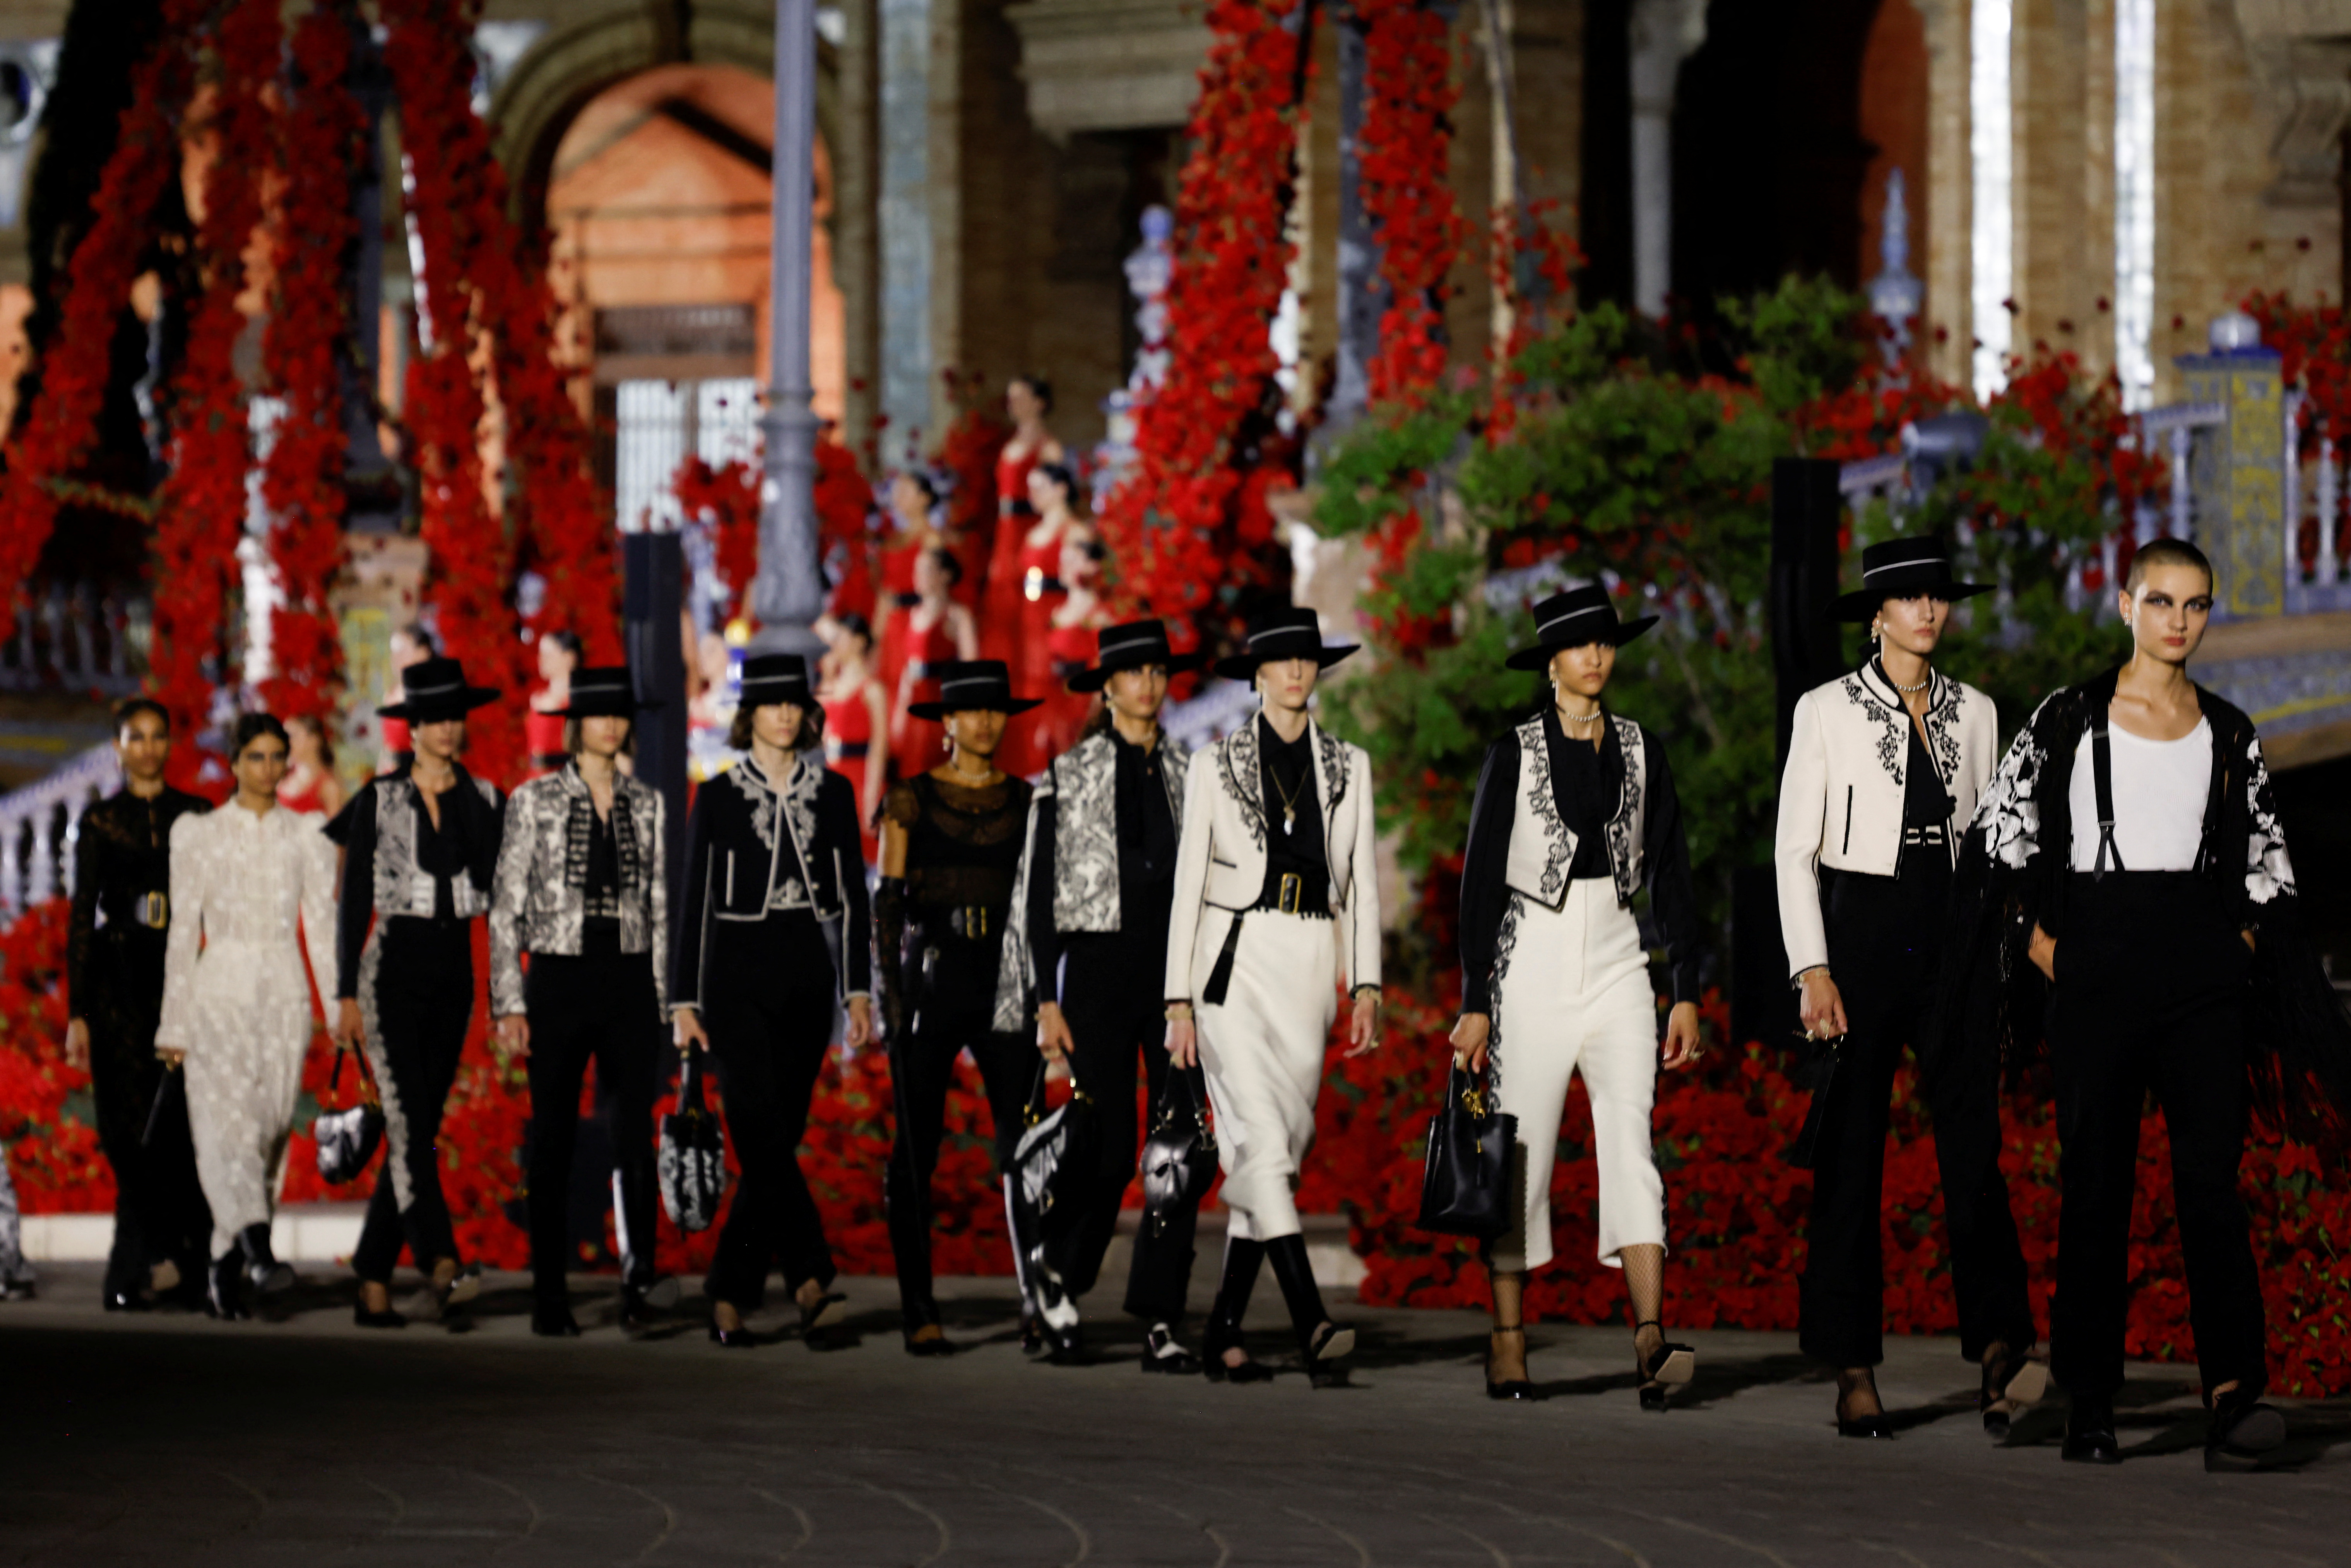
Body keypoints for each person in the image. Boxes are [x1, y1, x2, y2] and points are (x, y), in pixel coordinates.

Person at [1937, 538, 2351, 1472]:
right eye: (2161, 601)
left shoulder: (2233, 731)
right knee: (2097, 1186)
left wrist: (2233, 950)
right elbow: (1999, 845)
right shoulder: (2066, 721)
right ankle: (2092, 1399)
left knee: (2212, 1186)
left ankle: (2234, 1396)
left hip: (2203, 978)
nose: (2179, 621)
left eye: (2196, 605)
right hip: (2097, 971)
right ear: (2126, 604)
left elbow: (2270, 871)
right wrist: (2052, 954)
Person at [1773, 537, 2035, 1438]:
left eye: (1938, 597)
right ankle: (1852, 1364)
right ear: (1877, 615)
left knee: (1975, 1145)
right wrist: (1813, 964)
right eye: (1909, 598)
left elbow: (1995, 843)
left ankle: (2002, 1348)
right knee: (1852, 1158)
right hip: (1864, 932)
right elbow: (1792, 850)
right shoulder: (1827, 710)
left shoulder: (1977, 711)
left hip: (1954, 933)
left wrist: (2002, 955)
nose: (1928, 611)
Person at [1450, 586, 1707, 1406]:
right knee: (1516, 1152)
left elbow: (1672, 872)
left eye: (1604, 642)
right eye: (1578, 645)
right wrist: (1474, 999)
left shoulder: (1640, 748)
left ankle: (1648, 1340)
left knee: (1630, 1140)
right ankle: (1507, 1341)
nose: (1595, 656)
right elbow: (1479, 883)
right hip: (1530, 956)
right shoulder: (1512, 751)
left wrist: (1685, 988)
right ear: (1550, 662)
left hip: (1617, 953)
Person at [1165, 607, 1381, 1387]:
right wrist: (1177, 1000)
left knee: (1276, 1152)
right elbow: (1188, 888)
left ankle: (1223, 1330)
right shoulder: (1211, 764)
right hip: (1232, 962)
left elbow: (1359, 885)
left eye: (1306, 659)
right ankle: (1310, 1318)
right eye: (1280, 660)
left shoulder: (1348, 766)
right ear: (1255, 674)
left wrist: (1365, 981)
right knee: (1256, 1133)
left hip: (1308, 958)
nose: (1295, 671)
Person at [994, 619, 1209, 1370]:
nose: (1148, 683)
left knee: (1179, 1144)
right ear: (1107, 686)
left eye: (1157, 670)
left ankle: (1159, 1316)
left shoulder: (1190, 772)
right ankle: (1060, 1267)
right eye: (1133, 672)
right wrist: (1044, 1003)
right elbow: (1037, 897)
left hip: (1174, 979)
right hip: (1094, 974)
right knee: (1112, 1144)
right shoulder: (1068, 774)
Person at [672, 655, 874, 1347]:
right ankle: (812, 1277)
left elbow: (852, 902)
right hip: (733, 972)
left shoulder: (837, 793)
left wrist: (856, 989)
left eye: (795, 702)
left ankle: (729, 1286)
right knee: (758, 1128)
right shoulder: (720, 797)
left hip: (806, 970)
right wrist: (683, 1000)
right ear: (748, 714)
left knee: (775, 1140)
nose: (786, 714)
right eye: (771, 702)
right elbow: (693, 902)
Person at [489, 666, 671, 1338]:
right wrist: (509, 1000)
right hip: (559, 977)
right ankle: (548, 1292)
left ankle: (641, 1283)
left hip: (625, 978)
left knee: (634, 1138)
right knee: (555, 1137)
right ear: (576, 723)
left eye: (619, 712)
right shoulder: (532, 800)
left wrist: (661, 1000)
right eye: (598, 712)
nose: (611, 723)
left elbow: (657, 907)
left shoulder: (646, 803)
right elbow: (505, 907)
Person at [329, 657, 505, 1330]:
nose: (448, 729)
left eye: (456, 717)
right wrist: (345, 990)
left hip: (453, 973)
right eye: (435, 718)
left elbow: (501, 893)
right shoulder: (378, 798)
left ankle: (373, 1275)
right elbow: (354, 903)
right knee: (408, 1124)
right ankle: (440, 1261)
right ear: (413, 727)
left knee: (417, 1129)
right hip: (390, 971)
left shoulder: (487, 800)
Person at [874, 659, 1042, 1356]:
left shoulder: (1030, 801)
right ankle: (918, 1305)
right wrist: (887, 996)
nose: (984, 721)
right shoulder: (909, 800)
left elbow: (1042, 904)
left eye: (995, 709)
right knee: (917, 1149)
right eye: (970, 710)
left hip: (1006, 981)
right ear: (946, 721)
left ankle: (1043, 1298)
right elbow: (887, 905)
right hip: (935, 977)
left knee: (1027, 1146)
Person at [155, 712, 339, 1320]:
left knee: (268, 1134)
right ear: (233, 763)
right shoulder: (199, 835)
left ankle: (222, 1265)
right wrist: (173, 1023)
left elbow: (320, 926)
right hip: (219, 994)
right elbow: (182, 932)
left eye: (276, 757)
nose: (267, 768)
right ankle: (260, 1253)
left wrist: (339, 1007)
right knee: (226, 1132)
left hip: (285, 996)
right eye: (254, 757)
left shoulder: (307, 834)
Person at [64, 698, 212, 1312]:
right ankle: (137, 1261)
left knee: (180, 1124)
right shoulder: (101, 822)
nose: (149, 748)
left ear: (170, 744)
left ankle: (179, 1266)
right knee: (127, 1128)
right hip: (119, 977)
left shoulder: (197, 814)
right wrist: (77, 1011)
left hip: (184, 973)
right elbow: (80, 914)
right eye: (136, 737)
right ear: (119, 747)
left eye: (158, 736)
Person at [1001, 463, 1080, 774]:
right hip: (1031, 626)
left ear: (1061, 489)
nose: (1034, 494)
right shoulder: (1033, 533)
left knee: (1059, 702)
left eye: (1041, 486)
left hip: (1056, 622)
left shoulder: (1074, 532)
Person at [982, 376, 1064, 671]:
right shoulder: (1011, 445)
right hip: (1006, 533)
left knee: (1028, 600)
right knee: (1001, 607)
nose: (1014, 404)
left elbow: (1054, 497)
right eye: (1011, 398)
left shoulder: (1048, 447)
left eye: (1022, 397)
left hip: (1028, 530)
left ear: (1039, 403)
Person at [889, 548, 980, 779]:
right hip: (915, 709)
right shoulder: (912, 615)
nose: (918, 577)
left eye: (926, 571)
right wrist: (900, 712)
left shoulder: (957, 616)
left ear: (945, 575)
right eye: (917, 571)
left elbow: (971, 670)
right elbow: (907, 671)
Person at [818, 613, 890, 858]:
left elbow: (880, 745)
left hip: (859, 776)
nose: (836, 644)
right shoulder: (833, 686)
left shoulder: (872, 690)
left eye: (842, 638)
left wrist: (872, 793)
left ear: (859, 642)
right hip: (832, 772)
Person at [1037, 524, 1108, 759]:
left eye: (1072, 561)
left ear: (1091, 565)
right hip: (1059, 705)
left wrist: (1096, 713)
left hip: (1085, 705)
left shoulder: (1097, 613)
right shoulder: (1057, 612)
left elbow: (1102, 664)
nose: (1063, 568)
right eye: (1062, 561)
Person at [379, 623, 435, 772]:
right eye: (394, 651)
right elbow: (387, 749)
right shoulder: (392, 694)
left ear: (423, 653)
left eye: (402, 650)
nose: (396, 657)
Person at [527, 629, 583, 773]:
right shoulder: (536, 699)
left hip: (564, 776)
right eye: (541, 654)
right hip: (535, 777)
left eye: (549, 655)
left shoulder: (577, 701)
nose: (542, 660)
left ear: (569, 657)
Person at [276, 714, 346, 818]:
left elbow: (335, 830)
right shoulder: (284, 775)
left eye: (293, 736)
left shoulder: (328, 786)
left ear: (314, 740)